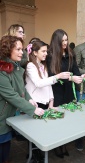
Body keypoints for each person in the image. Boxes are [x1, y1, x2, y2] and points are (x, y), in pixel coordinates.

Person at [0, 35, 44, 163]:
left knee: (6, 148)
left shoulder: (15, 66)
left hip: (8, 115)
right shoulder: (2, 70)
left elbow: (22, 89)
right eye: (18, 49)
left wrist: (29, 99)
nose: (22, 52)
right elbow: (11, 95)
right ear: (8, 50)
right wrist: (32, 109)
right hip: (1, 116)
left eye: (22, 49)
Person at [47, 29, 84, 158]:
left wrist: (81, 77)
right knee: (58, 120)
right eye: (62, 40)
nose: (65, 43)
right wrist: (70, 78)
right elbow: (52, 76)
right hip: (56, 92)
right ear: (56, 41)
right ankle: (58, 146)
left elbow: (76, 71)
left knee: (67, 119)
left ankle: (64, 144)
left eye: (66, 40)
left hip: (68, 92)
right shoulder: (50, 55)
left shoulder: (70, 53)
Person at [25, 40, 71, 110]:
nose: (46, 54)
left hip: (45, 103)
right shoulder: (30, 66)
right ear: (35, 53)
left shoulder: (43, 66)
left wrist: (51, 102)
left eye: (46, 51)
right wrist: (58, 76)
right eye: (43, 51)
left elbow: (48, 85)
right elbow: (38, 83)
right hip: (35, 103)